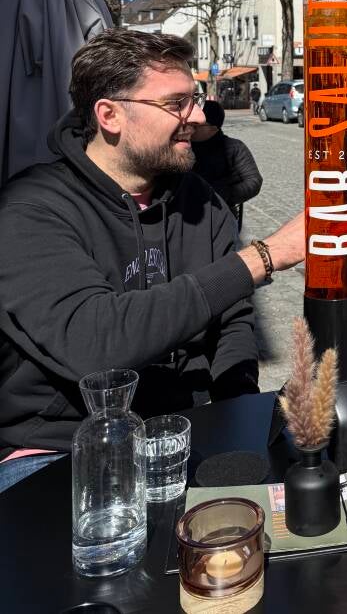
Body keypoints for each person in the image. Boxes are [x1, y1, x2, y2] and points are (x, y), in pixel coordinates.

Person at [0, 29, 305, 492]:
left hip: (186, 433)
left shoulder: (198, 199)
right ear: (110, 115)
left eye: (194, 99)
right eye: (176, 103)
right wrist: (263, 257)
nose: (197, 116)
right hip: (59, 450)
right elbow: (96, 344)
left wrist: (238, 413)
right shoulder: (30, 209)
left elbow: (234, 321)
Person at [192, 100, 263, 211]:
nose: (190, 128)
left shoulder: (234, 147)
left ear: (214, 128)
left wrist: (225, 194)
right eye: (189, 123)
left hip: (220, 211)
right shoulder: (182, 146)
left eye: (196, 125)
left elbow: (254, 181)